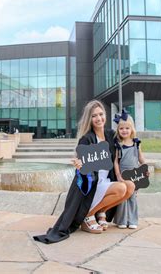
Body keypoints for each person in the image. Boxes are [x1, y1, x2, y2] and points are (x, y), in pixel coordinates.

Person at [33, 100, 135, 244]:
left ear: (105, 115)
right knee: (121, 188)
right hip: (93, 187)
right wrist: (79, 164)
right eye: (94, 116)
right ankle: (87, 216)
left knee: (130, 186)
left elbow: (123, 145)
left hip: (105, 182)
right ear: (90, 119)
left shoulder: (111, 134)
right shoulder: (86, 139)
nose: (99, 118)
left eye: (101, 114)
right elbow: (80, 158)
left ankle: (99, 212)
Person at [113, 110, 147, 229]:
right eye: (121, 128)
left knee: (132, 197)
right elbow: (116, 161)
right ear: (118, 130)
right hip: (122, 174)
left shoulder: (136, 143)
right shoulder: (118, 144)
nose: (124, 131)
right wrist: (118, 175)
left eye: (127, 128)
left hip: (134, 174)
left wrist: (145, 167)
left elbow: (140, 157)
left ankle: (132, 220)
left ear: (132, 129)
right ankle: (121, 220)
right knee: (123, 197)